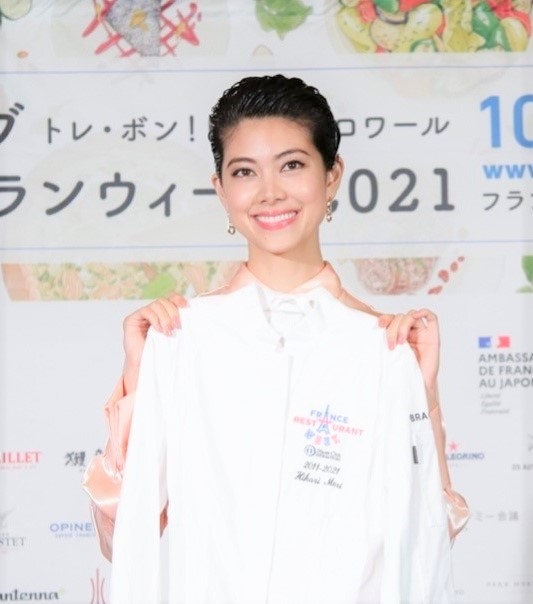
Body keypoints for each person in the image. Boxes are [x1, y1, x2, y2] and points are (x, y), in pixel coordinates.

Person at [83, 74, 469, 603]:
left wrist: (420, 397)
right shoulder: (183, 339)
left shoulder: (383, 345)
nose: (270, 192)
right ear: (221, 189)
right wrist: (138, 379)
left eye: (292, 165)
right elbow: (122, 538)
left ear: (331, 176)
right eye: (245, 171)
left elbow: (429, 540)